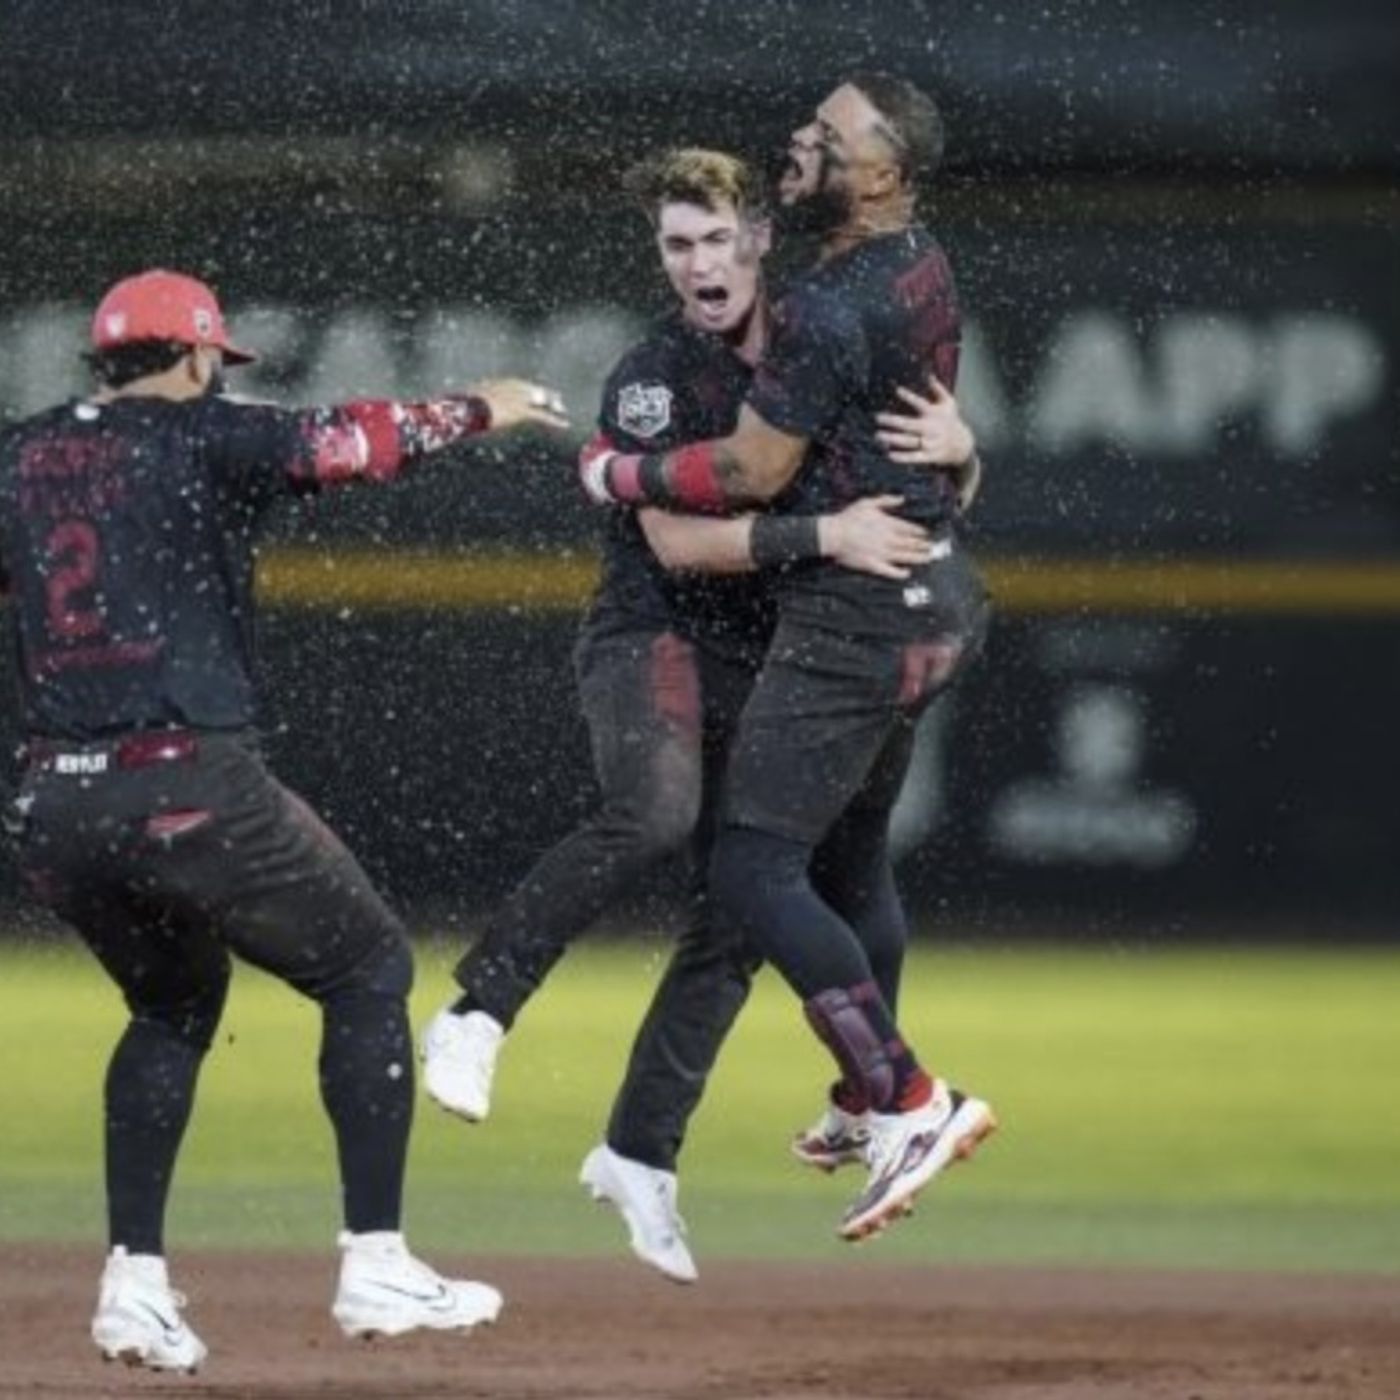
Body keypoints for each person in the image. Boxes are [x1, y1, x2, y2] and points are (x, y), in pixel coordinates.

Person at [0, 268, 568, 1372]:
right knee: (364, 965)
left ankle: (135, 1285)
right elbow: (351, 439)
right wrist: (482, 405)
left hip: (51, 799)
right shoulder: (206, 433)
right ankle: (376, 1256)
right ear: (202, 357)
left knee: (171, 1003)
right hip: (186, 779)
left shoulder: (18, 453)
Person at [423, 147, 978, 1274]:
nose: (699, 264)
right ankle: (478, 1009)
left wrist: (966, 455)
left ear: (762, 242)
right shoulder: (652, 372)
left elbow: (930, 474)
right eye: (677, 244)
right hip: (656, 634)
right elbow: (678, 541)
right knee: (658, 815)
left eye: (718, 239)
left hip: (786, 645)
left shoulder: (827, 335)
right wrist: (823, 535)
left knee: (754, 901)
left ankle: (641, 1149)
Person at [577, 73, 998, 1243]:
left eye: (831, 134)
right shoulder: (921, 259)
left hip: (858, 612)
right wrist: (965, 457)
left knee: (754, 871)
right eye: (807, 120)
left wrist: (618, 471)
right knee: (855, 867)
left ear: (886, 169)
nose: (801, 139)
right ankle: (865, 1099)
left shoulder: (824, 302)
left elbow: (755, 472)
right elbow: (918, 429)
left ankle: (910, 1098)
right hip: (938, 593)